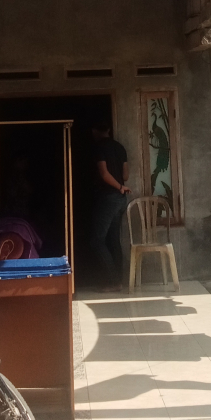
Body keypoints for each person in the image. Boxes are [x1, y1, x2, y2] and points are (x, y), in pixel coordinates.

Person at [90, 119, 131, 291]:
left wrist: (119, 187)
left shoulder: (99, 147)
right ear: (109, 129)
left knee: (96, 240)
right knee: (114, 239)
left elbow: (104, 173)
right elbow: (125, 175)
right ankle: (118, 281)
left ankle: (114, 281)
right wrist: (121, 186)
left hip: (109, 197)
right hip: (120, 200)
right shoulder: (120, 147)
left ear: (94, 131)